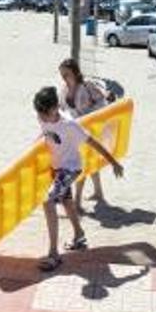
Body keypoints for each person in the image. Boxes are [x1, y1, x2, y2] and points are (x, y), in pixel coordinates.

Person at [32, 86, 124, 272]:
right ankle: (79, 236)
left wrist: (113, 162)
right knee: (66, 202)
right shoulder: (42, 115)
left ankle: (53, 254)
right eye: (39, 113)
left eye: (44, 113)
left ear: (55, 108)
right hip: (57, 168)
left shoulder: (70, 126)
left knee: (48, 201)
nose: (41, 117)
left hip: (71, 168)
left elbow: (93, 143)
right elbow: (45, 133)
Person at [58, 58, 109, 214]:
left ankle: (77, 202)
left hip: (90, 129)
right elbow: (62, 108)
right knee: (89, 161)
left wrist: (89, 116)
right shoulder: (64, 89)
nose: (64, 78)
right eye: (62, 75)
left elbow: (103, 102)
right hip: (75, 130)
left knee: (81, 165)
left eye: (66, 74)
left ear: (75, 72)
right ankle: (98, 193)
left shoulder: (87, 86)